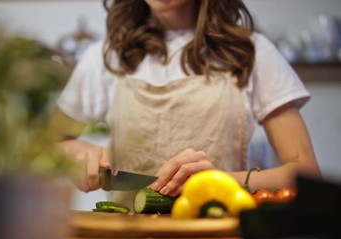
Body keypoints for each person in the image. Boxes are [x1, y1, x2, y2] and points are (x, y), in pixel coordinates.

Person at [51, 0, 321, 208]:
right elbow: (46, 144)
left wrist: (219, 181)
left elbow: (305, 173)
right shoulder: (107, 56)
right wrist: (75, 152)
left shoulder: (251, 52)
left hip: (218, 230)